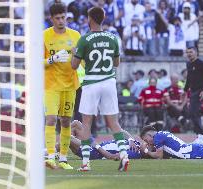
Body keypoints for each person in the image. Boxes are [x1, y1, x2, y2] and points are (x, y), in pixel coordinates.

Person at [71, 7, 129, 172]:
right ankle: (124, 155)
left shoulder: (85, 39)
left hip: (91, 82)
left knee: (86, 123)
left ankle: (85, 163)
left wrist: (75, 53)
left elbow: (74, 66)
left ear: (90, 18)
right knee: (113, 122)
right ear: (103, 18)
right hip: (109, 82)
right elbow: (117, 63)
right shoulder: (113, 38)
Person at [43, 3, 81, 170]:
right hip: (51, 85)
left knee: (66, 121)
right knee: (51, 118)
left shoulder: (75, 35)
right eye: (57, 18)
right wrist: (52, 59)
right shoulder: (44, 36)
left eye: (63, 17)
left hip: (70, 85)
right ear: (51, 19)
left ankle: (63, 159)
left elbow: (81, 62)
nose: (61, 21)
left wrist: (75, 55)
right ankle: (51, 157)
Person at [139, 125, 203, 159]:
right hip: (191, 148)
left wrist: (146, 151)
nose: (147, 142)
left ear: (149, 135)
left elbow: (159, 155)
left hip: (189, 152)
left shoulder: (157, 137)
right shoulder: (161, 134)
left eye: (145, 139)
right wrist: (149, 147)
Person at [69, 120, 142, 160]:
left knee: (69, 138)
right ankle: (58, 150)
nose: (146, 143)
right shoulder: (135, 143)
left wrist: (97, 147)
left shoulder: (135, 152)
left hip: (95, 152)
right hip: (96, 145)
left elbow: (112, 156)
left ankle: (59, 151)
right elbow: (120, 131)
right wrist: (131, 139)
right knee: (76, 124)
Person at [184, 47, 203, 144]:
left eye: (191, 52)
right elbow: (189, 78)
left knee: (193, 111)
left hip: (199, 91)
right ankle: (200, 134)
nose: (189, 54)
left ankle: (201, 135)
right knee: (192, 112)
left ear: (196, 53)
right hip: (193, 91)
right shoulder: (189, 64)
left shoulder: (201, 64)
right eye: (187, 52)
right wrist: (185, 89)